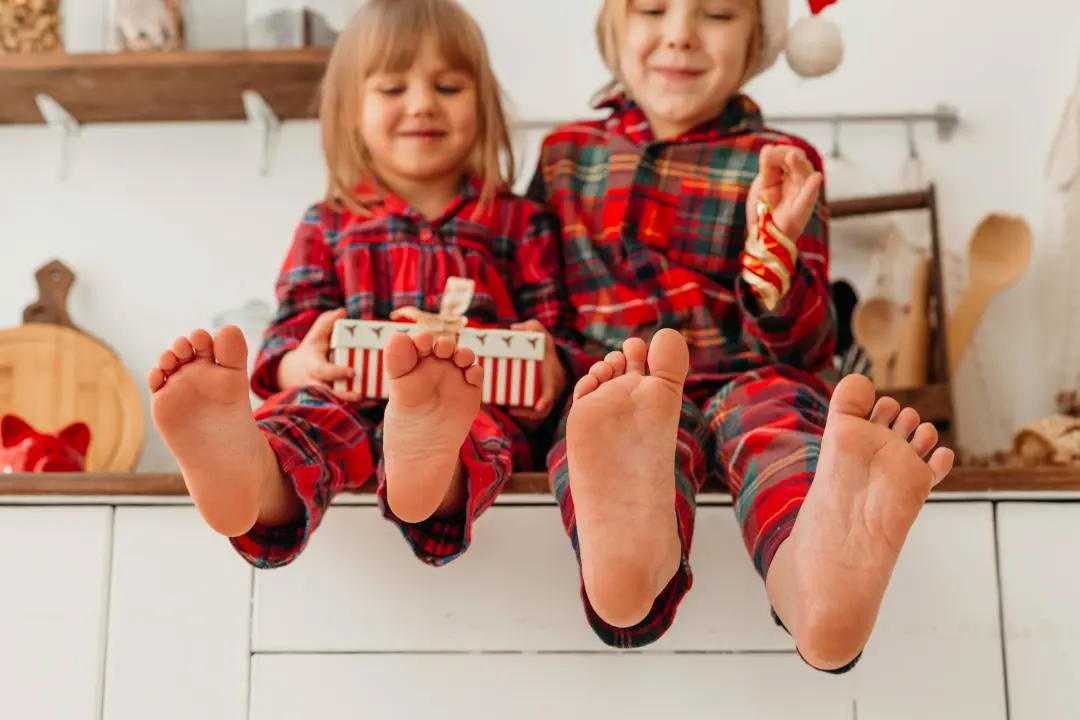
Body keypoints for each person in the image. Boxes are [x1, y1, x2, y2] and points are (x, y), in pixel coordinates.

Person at [529, 0, 955, 671]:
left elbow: (808, 346)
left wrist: (774, 260)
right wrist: (542, 364)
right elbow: (539, 301)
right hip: (619, 386)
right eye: (652, 9)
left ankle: (814, 586)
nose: (680, 33)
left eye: (718, 14)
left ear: (758, 38)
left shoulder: (781, 163)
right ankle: (634, 564)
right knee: (610, 430)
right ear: (614, 27)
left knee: (780, 424)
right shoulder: (564, 158)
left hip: (751, 371)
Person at [147, 0, 584, 569]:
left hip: (469, 400)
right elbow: (292, 329)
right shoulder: (328, 222)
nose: (423, 104)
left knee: (479, 433)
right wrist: (293, 366)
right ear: (352, 110)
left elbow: (557, 337)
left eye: (448, 87)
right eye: (393, 89)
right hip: (348, 391)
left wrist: (550, 365)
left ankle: (425, 472)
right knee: (306, 417)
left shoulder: (521, 222)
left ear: (484, 104)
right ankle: (248, 473)